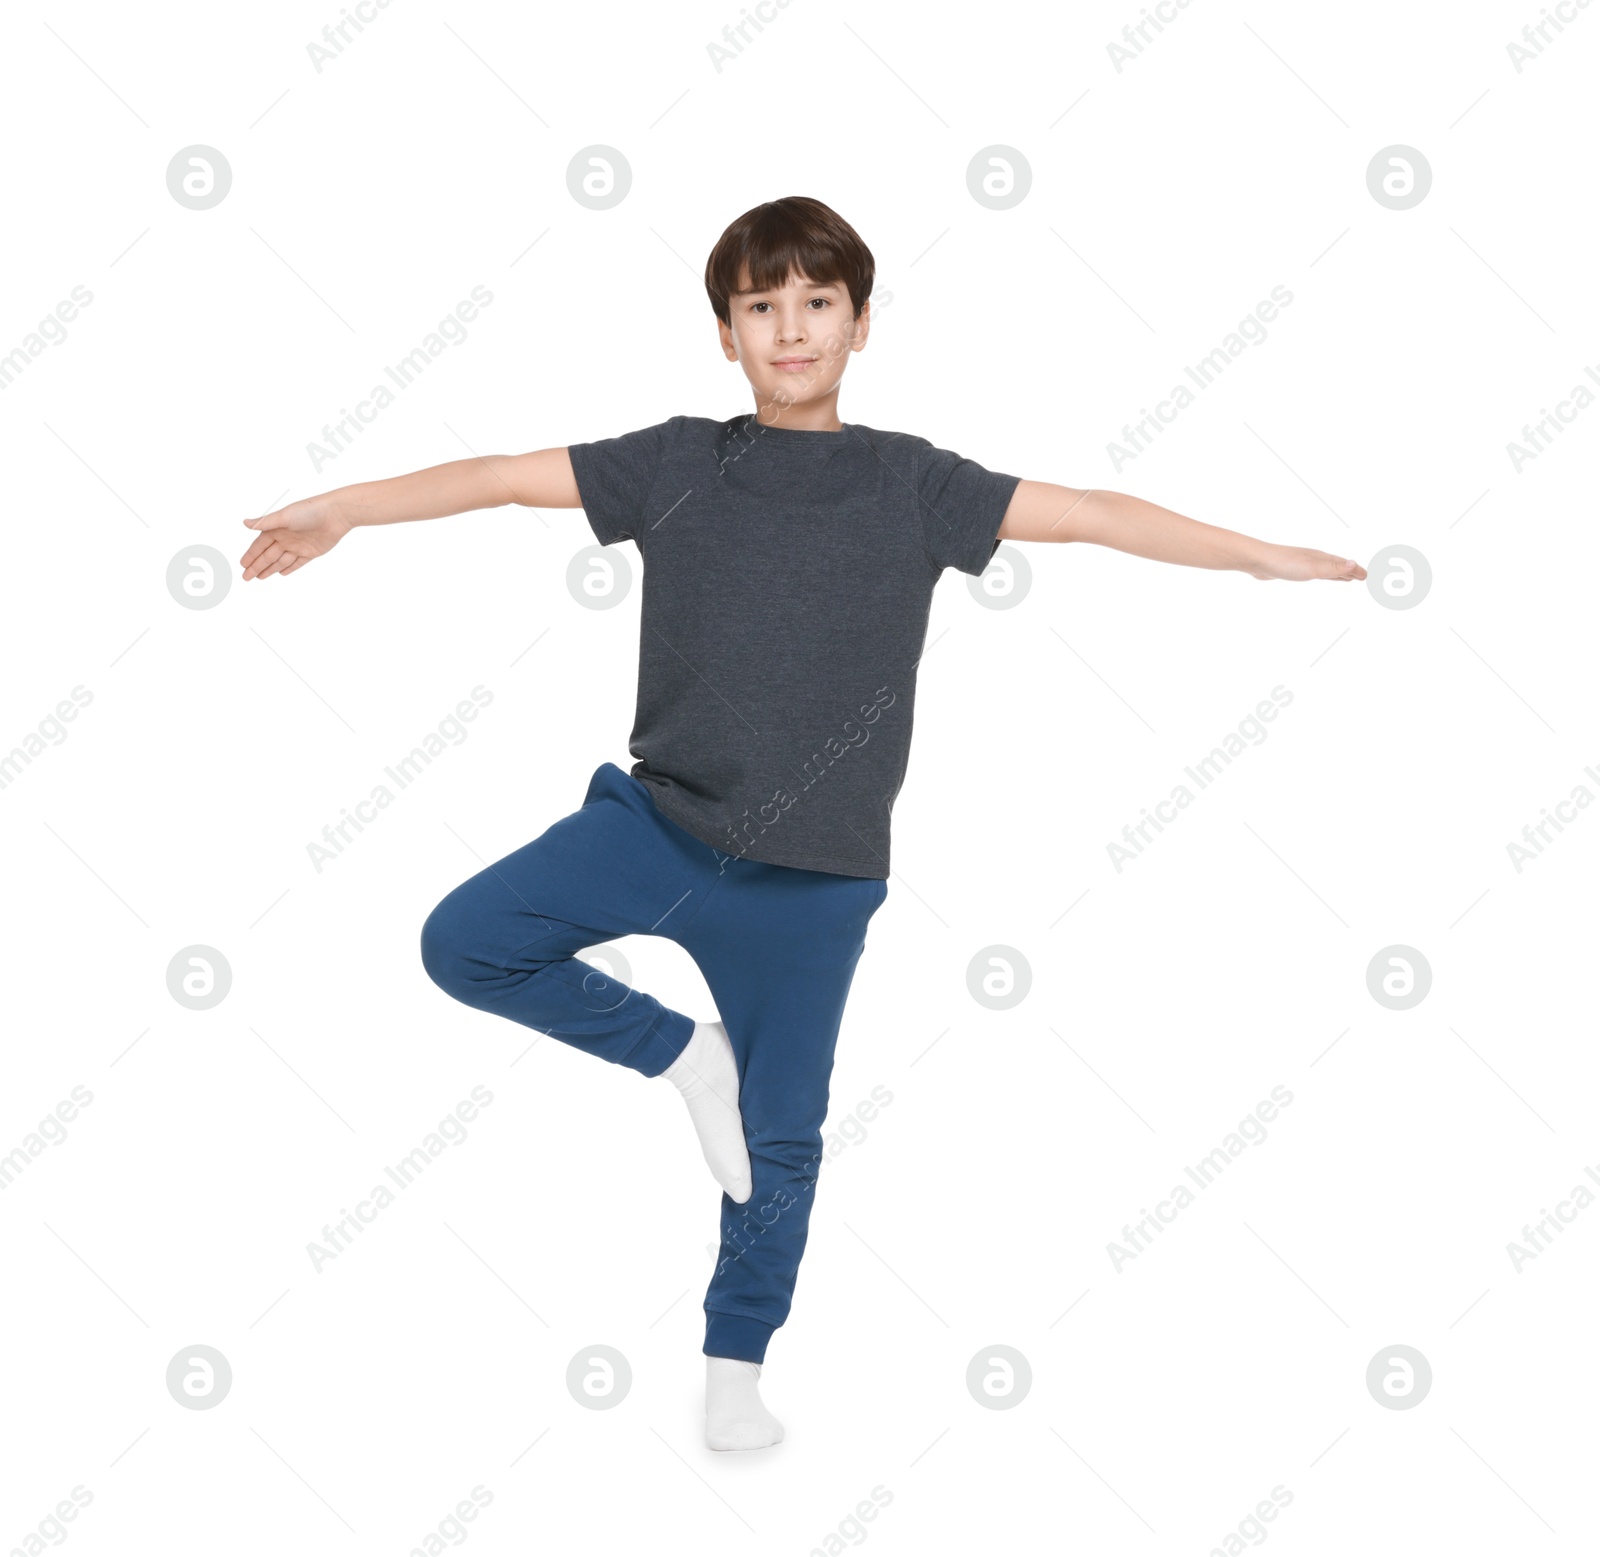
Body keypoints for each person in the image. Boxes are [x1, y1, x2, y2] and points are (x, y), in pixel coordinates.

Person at [237, 195, 1365, 1452]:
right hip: (658, 828)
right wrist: (343, 505)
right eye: (759, 307)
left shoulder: (915, 485)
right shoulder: (672, 461)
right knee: (466, 942)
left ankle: (734, 1362)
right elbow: (501, 478)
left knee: (782, 1139)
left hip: (815, 880)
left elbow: (1095, 513)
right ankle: (682, 1056)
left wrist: (1261, 555)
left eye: (815, 303)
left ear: (861, 323)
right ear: (725, 334)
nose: (789, 329)